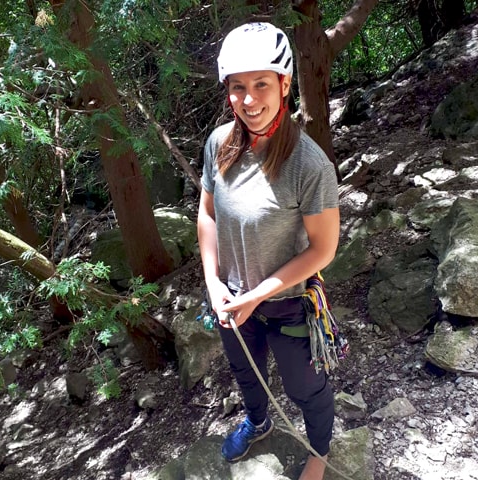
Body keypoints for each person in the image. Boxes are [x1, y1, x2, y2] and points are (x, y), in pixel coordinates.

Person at [197, 22, 340, 480]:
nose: (249, 100)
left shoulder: (309, 164)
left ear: (284, 84)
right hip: (232, 298)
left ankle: (318, 452)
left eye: (261, 84)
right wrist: (213, 281)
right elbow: (207, 214)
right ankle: (258, 422)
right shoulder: (219, 144)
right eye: (238, 87)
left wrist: (258, 295)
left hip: (289, 304)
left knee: (306, 387)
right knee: (247, 374)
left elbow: (324, 250)